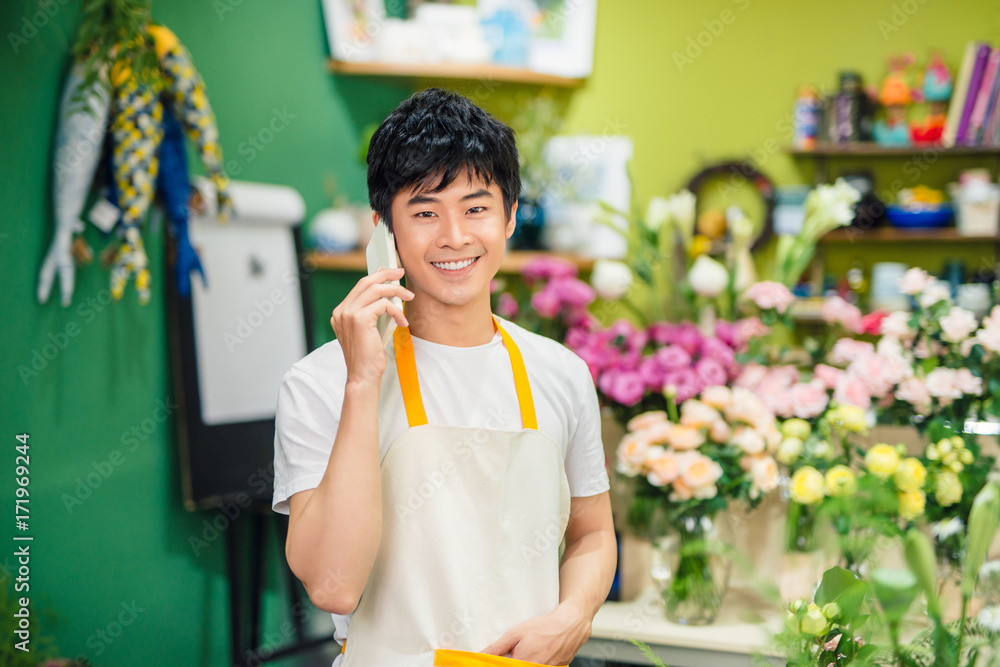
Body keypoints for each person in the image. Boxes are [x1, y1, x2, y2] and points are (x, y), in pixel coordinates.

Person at [272, 87, 616, 667]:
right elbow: (333, 586)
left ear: (509, 216)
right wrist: (363, 382)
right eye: (426, 212)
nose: (454, 236)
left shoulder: (560, 372)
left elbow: (592, 534)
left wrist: (573, 616)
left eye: (476, 208)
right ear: (385, 229)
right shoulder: (320, 382)